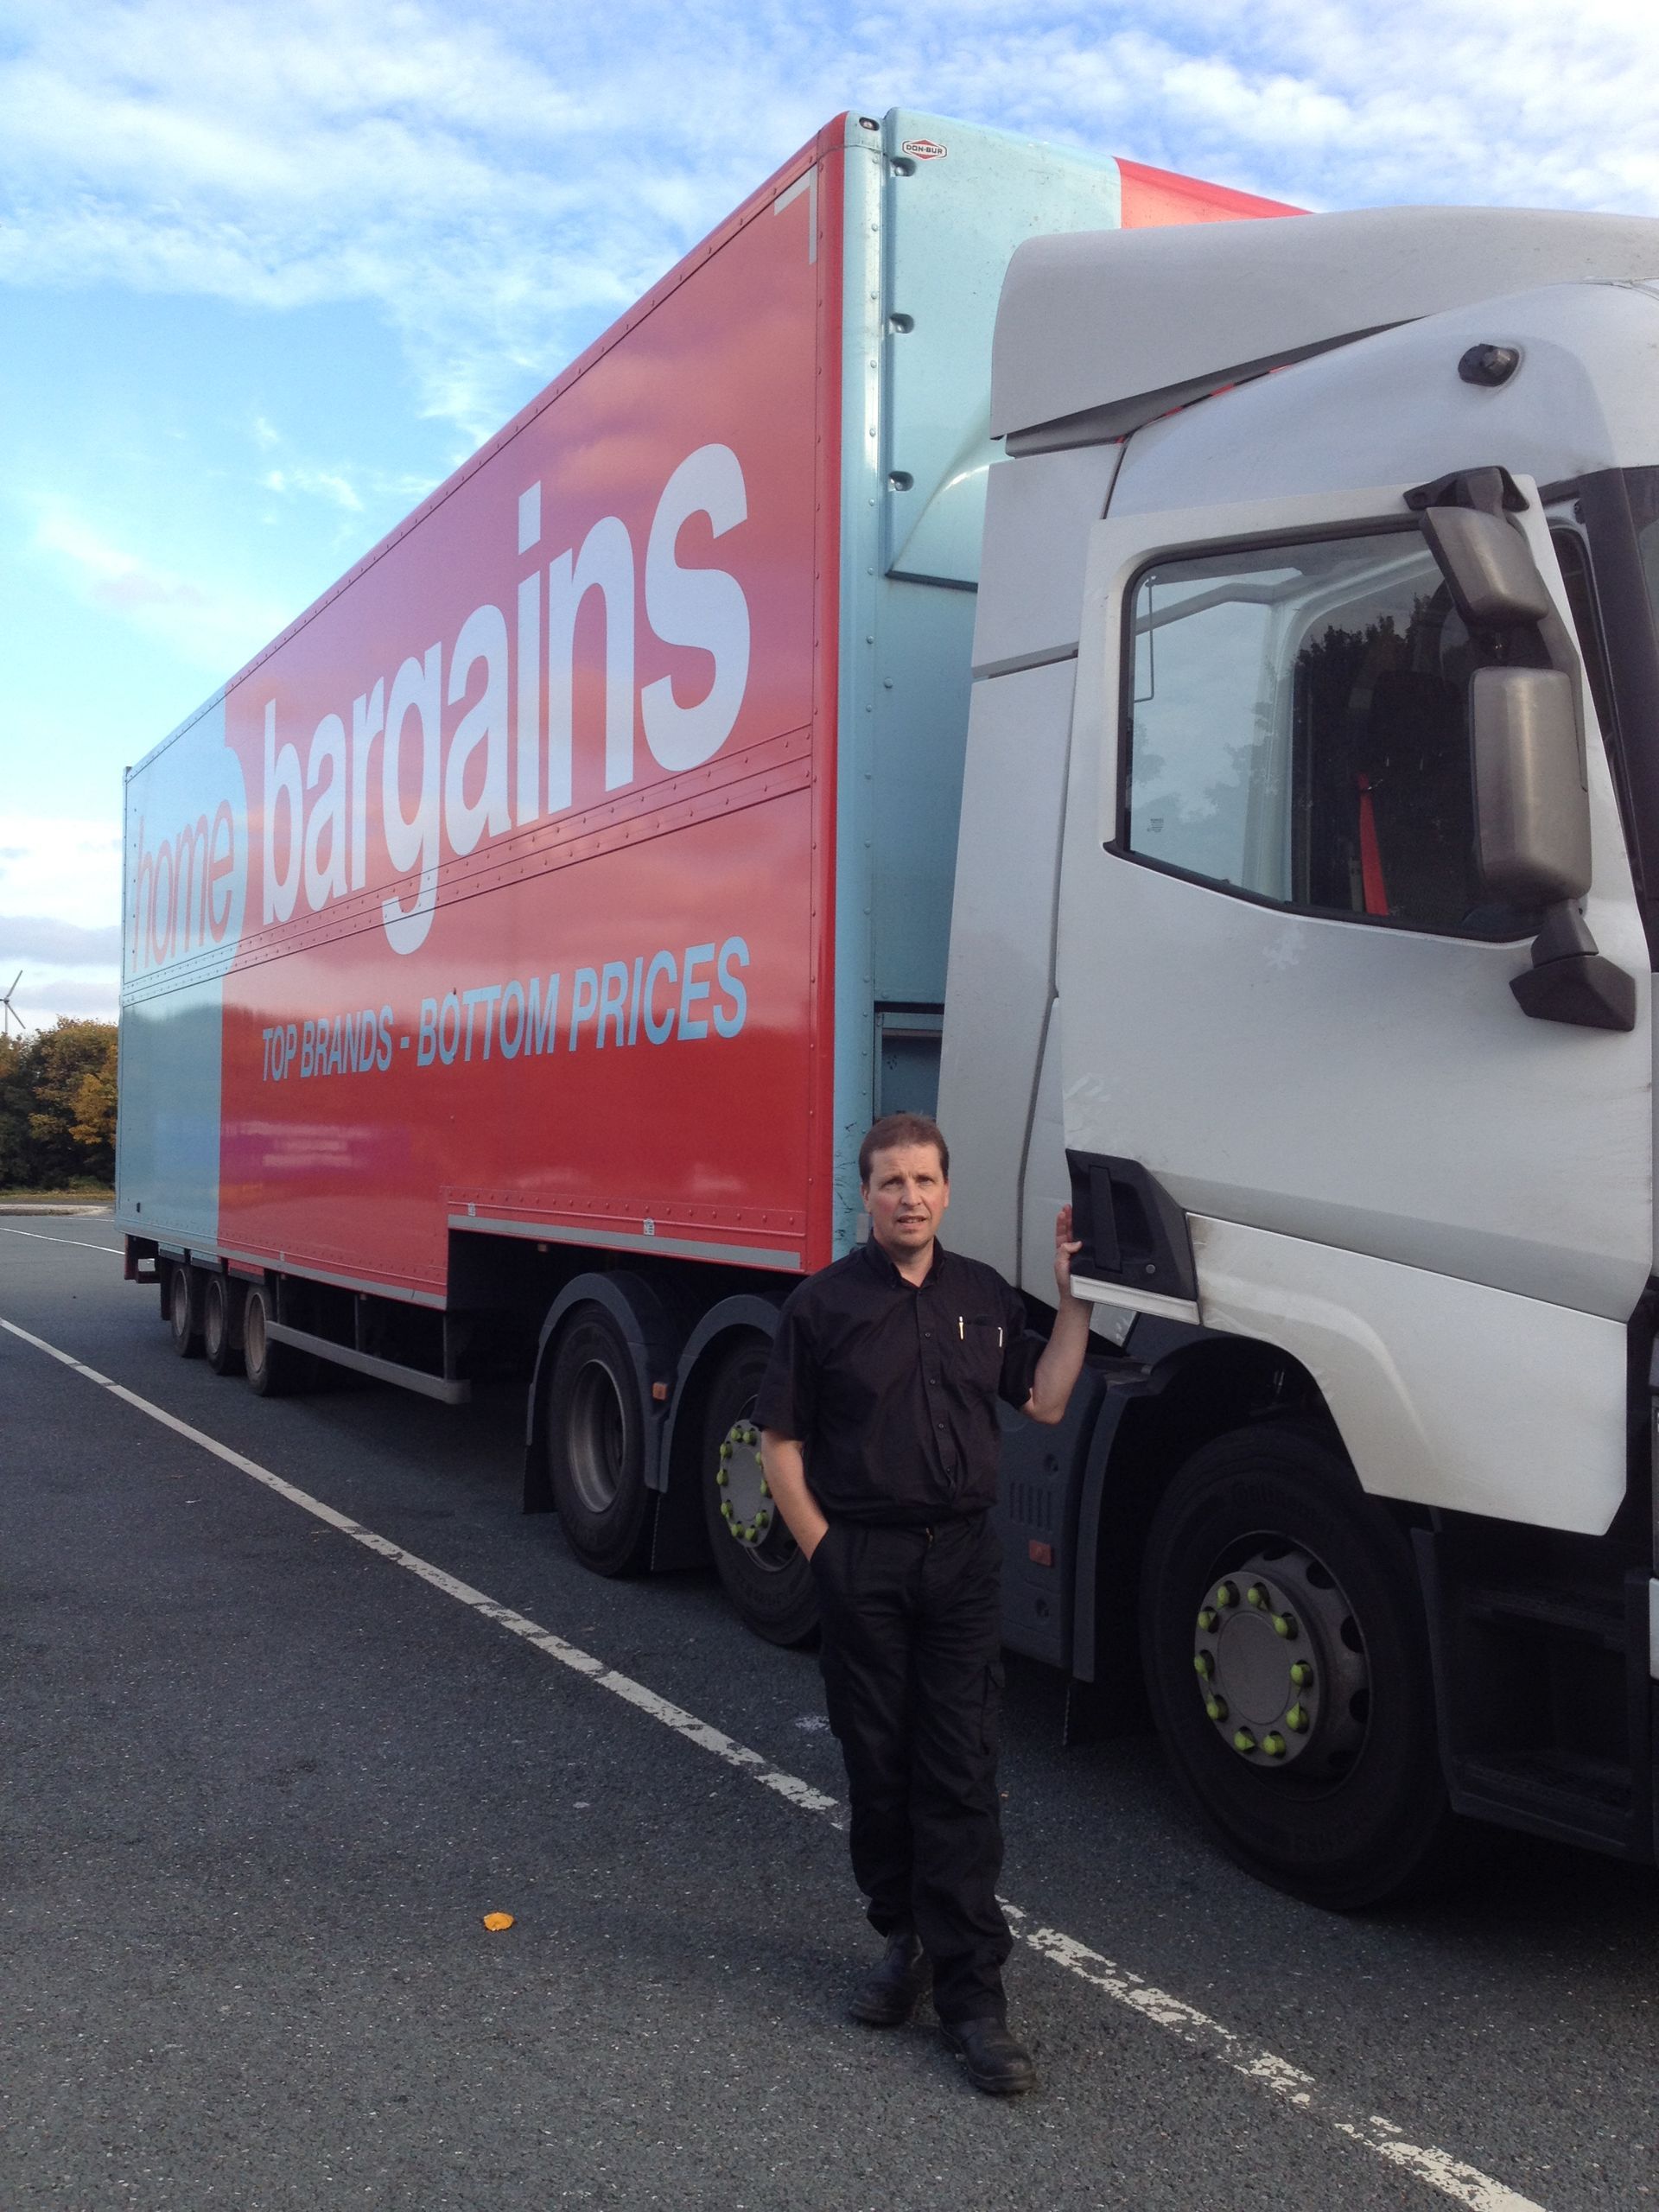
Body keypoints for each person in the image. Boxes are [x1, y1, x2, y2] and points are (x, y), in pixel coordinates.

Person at [756, 1111, 1090, 2095]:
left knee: (962, 1766)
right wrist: (827, 1554)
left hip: (960, 1566)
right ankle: (901, 1938)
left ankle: (975, 1998)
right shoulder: (822, 1308)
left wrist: (1072, 1307)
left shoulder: (982, 1296)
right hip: (864, 1562)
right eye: (892, 1180)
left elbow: (1047, 1400)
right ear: (866, 1194)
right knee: (880, 1763)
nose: (910, 1196)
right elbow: (781, 1444)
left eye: (925, 1180)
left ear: (948, 1191)